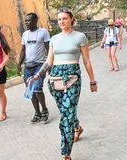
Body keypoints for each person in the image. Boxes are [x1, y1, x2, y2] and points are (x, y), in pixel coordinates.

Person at [33, 7, 98, 160]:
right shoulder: (54, 39)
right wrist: (38, 75)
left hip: (73, 77)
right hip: (55, 79)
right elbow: (49, 61)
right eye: (60, 19)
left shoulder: (80, 37)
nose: (62, 21)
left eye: (65, 18)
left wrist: (92, 80)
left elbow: (87, 61)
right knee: (66, 112)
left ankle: (66, 153)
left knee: (66, 116)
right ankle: (77, 128)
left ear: (71, 19)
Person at [17, 13, 50, 123]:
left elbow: (48, 49)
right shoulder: (25, 34)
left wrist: (49, 65)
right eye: (25, 20)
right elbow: (23, 50)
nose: (26, 22)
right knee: (30, 90)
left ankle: (45, 110)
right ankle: (37, 113)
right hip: (28, 66)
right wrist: (19, 64)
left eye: (29, 20)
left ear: (35, 21)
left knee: (37, 88)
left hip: (40, 64)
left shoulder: (43, 32)